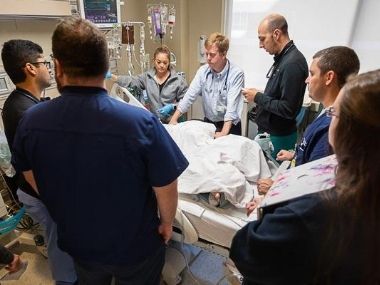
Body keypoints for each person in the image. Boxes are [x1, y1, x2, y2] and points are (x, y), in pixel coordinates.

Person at [11, 17, 188, 285]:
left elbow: (31, 175)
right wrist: (166, 223)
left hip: (80, 243)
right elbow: (166, 182)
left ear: (58, 66)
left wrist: (65, 210)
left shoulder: (31, 123)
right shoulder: (140, 123)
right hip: (136, 247)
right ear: (105, 66)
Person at [230, 69, 380, 285]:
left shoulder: (318, 211)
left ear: (349, 130)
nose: (307, 79)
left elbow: (245, 249)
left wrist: (272, 205)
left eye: (334, 113)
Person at [1, 39, 77, 285]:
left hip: (35, 189)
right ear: (30, 68)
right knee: (60, 242)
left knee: (60, 238)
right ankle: (66, 281)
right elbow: (37, 167)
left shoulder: (20, 101)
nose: (48, 68)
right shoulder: (26, 112)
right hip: (40, 193)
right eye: (44, 62)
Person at [254, 46, 360, 197]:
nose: (307, 80)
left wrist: (276, 189)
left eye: (312, 74)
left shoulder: (331, 128)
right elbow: (312, 155)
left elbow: (314, 190)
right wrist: (295, 155)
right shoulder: (326, 112)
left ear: (329, 77)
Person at [242, 14, 308, 157]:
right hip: (270, 133)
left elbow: (288, 108)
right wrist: (261, 94)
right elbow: (279, 93)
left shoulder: (292, 63)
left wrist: (258, 97)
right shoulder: (283, 58)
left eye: (262, 39)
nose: (260, 45)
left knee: (273, 177)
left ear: (276, 34)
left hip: (279, 137)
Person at [169, 32, 245, 138]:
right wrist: (173, 119)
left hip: (230, 125)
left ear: (224, 54)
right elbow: (189, 96)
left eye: (212, 54)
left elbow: (232, 107)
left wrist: (224, 133)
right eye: (206, 54)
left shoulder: (236, 74)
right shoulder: (203, 71)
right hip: (209, 123)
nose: (208, 58)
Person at [109, 45, 188, 123]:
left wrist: (172, 106)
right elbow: (131, 80)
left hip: (172, 122)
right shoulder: (147, 77)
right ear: (154, 61)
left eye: (165, 63)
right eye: (159, 62)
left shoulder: (178, 80)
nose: (161, 65)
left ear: (169, 63)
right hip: (155, 121)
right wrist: (114, 77)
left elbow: (185, 101)